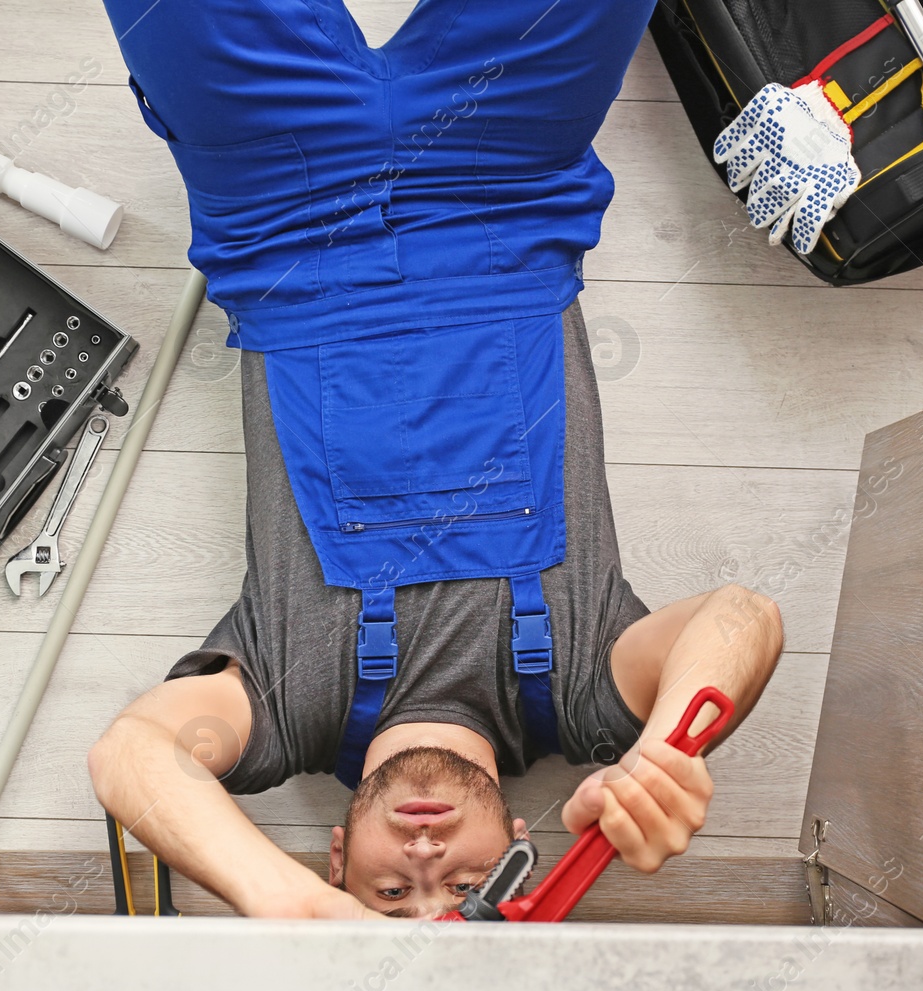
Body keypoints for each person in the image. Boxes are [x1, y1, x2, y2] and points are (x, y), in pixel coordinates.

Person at [88, 0, 785, 919]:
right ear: (520, 850)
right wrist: (665, 748)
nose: (424, 852)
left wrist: (288, 906)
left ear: (335, 855)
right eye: (462, 885)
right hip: (504, 170)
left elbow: (132, 754)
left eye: (387, 889)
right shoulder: (582, 697)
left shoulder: (281, 712)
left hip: (277, 192)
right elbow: (745, 616)